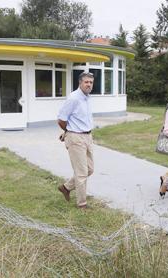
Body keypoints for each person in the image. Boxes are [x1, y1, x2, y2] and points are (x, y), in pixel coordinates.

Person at [57, 72, 95, 211]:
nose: (89, 84)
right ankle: (82, 204)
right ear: (80, 83)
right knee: (81, 173)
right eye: (86, 82)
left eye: (91, 82)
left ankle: (66, 187)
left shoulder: (87, 98)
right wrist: (68, 132)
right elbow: (61, 119)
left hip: (87, 136)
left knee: (90, 169)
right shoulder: (73, 98)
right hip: (76, 138)